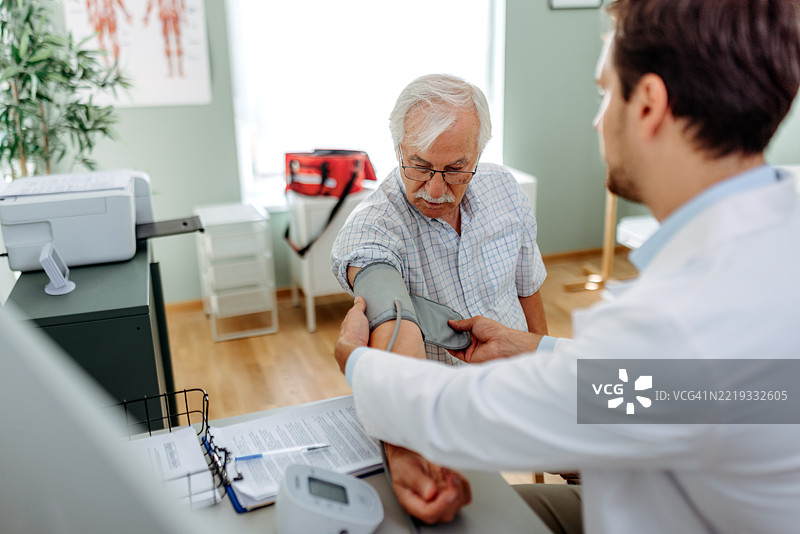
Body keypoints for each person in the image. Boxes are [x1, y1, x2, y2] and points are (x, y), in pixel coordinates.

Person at [333, 0, 800, 532]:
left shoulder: (674, 323)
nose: (598, 120)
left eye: (605, 92)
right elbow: (727, 394)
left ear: (648, 103)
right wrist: (534, 347)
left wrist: (359, 363)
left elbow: (478, 412)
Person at [329, 74, 552, 522]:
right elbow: (394, 328)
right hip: (445, 415)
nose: (435, 189)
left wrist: (545, 366)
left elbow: (529, 289)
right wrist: (403, 449)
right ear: (396, 152)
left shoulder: (503, 190)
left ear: (478, 156)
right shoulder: (372, 227)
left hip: (523, 383)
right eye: (419, 166)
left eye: (454, 169)